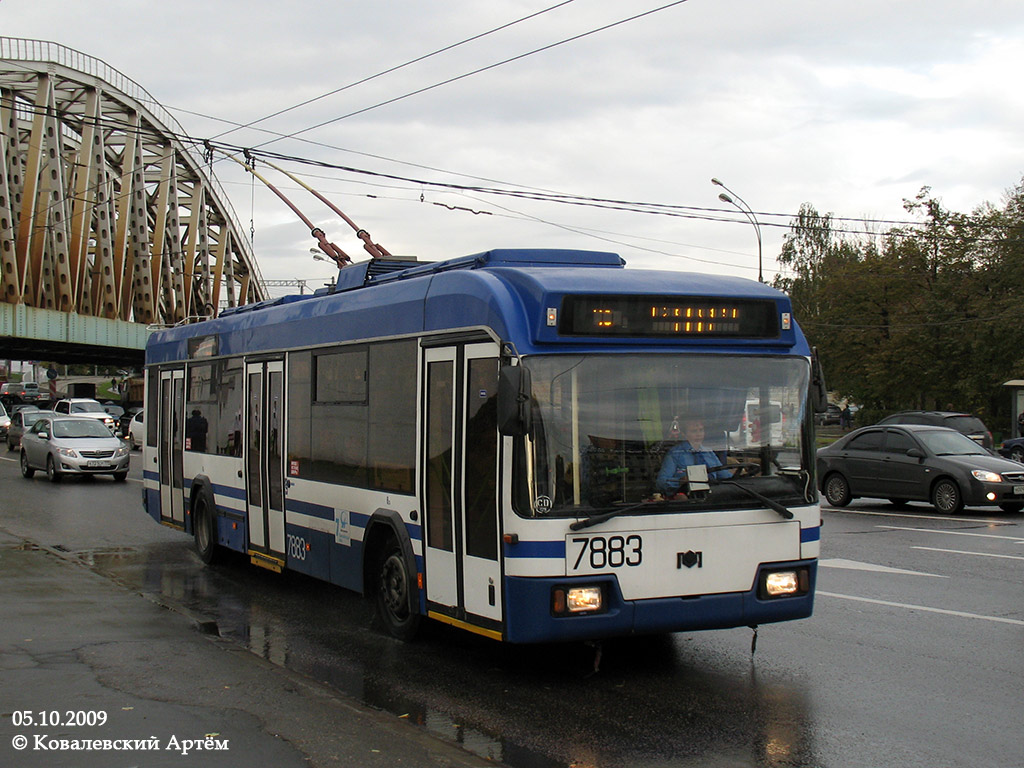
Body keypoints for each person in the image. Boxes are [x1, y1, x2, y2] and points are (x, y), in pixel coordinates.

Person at [656, 417, 732, 496]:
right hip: (687, 499)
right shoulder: (675, 453)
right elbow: (661, 482)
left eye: (701, 430)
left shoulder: (708, 452)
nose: (698, 434)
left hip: (712, 496)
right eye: (694, 431)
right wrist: (681, 481)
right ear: (684, 434)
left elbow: (725, 476)